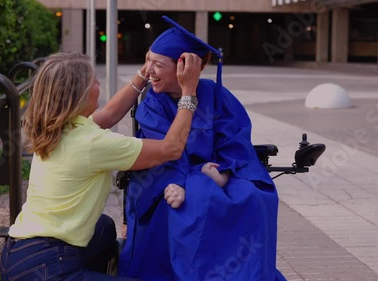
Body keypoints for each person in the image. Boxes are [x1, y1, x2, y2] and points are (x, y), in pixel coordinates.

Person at [0, 51, 203, 280]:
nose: (98, 84)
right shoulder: (91, 143)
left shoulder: (58, 127)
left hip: (16, 253)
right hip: (46, 267)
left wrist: (144, 74)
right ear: (79, 94)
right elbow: (171, 149)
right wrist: (189, 92)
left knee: (104, 227)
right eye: (94, 81)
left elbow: (109, 114)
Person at [118, 16, 287, 281]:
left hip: (217, 172)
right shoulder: (153, 104)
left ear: (184, 68)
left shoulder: (216, 95)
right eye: (147, 59)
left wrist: (225, 173)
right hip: (166, 177)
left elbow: (235, 141)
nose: (147, 70)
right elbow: (164, 153)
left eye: (157, 64)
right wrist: (185, 180)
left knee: (255, 197)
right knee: (194, 198)